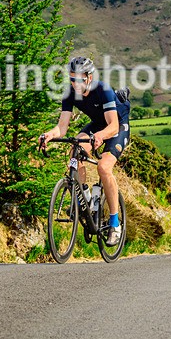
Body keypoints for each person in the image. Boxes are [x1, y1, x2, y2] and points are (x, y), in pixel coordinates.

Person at [40, 56, 130, 246]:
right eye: (72, 79)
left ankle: (115, 223)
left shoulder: (102, 90)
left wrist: (100, 137)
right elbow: (62, 128)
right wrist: (49, 134)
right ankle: (87, 201)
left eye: (79, 79)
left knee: (104, 168)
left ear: (89, 77)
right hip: (97, 124)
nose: (75, 84)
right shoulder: (70, 93)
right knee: (76, 151)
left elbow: (112, 126)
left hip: (117, 126)